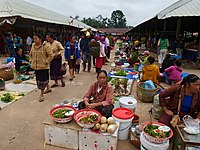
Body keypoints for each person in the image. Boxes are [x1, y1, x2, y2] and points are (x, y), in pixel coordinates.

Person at [30, 33, 53, 102]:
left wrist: (46, 61)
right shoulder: (33, 46)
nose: (34, 40)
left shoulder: (46, 46)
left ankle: (41, 94)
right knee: (39, 80)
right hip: (36, 67)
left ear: (40, 39)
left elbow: (50, 55)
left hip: (44, 67)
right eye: (34, 39)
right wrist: (31, 60)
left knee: (42, 81)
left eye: (36, 38)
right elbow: (30, 54)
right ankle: (48, 88)